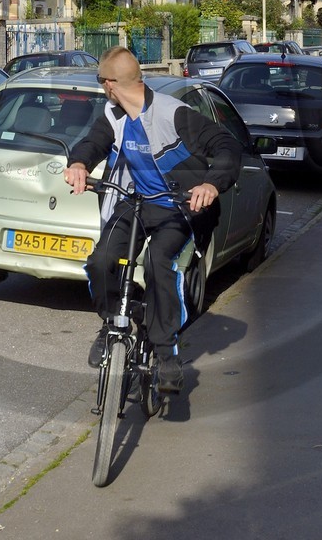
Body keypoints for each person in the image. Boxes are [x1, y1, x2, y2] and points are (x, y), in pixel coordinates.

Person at [64, 46, 239, 392]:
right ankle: (113, 321)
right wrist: (79, 164)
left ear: (109, 84)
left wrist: (209, 184)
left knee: (159, 261)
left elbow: (226, 145)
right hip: (135, 202)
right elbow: (92, 142)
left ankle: (165, 353)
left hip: (178, 205)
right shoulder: (114, 115)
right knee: (101, 261)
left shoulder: (173, 114)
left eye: (102, 82)